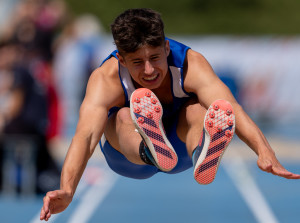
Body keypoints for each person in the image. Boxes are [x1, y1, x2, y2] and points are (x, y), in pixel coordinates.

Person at [40, 8, 300, 221]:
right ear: (121, 59)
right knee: (121, 117)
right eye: (138, 63)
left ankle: (203, 150)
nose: (150, 70)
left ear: (166, 48)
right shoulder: (105, 78)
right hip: (129, 157)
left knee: (203, 108)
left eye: (155, 57)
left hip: (180, 149)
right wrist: (68, 190)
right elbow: (85, 137)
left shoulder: (191, 64)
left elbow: (233, 108)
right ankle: (149, 147)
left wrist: (265, 151)